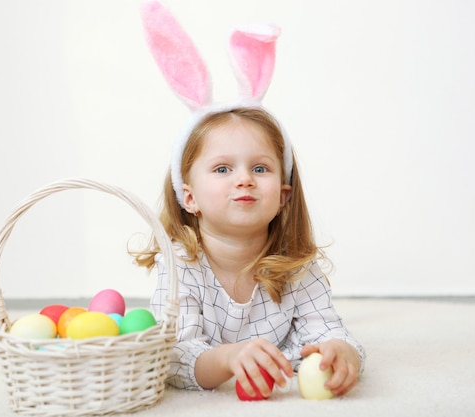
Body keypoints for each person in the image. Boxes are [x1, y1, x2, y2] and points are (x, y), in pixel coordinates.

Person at [136, 0, 365, 399]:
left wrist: (341, 352)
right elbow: (172, 356)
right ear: (189, 197)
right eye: (223, 169)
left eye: (260, 169)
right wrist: (227, 359)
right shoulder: (181, 265)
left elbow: (328, 329)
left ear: (283, 196)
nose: (244, 179)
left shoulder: (297, 266)